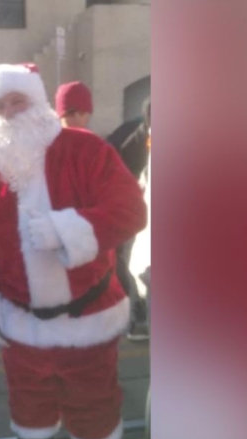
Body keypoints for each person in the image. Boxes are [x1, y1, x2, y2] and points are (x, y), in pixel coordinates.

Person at [0, 63, 147, 439]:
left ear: (39, 100)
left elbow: (132, 211)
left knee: (97, 417)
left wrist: (66, 227)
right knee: (29, 417)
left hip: (87, 321)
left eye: (18, 100)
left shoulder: (85, 149)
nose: (9, 112)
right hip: (20, 328)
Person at [107, 98, 152, 340]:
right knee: (130, 261)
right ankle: (137, 314)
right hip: (133, 206)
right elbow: (107, 160)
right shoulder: (132, 134)